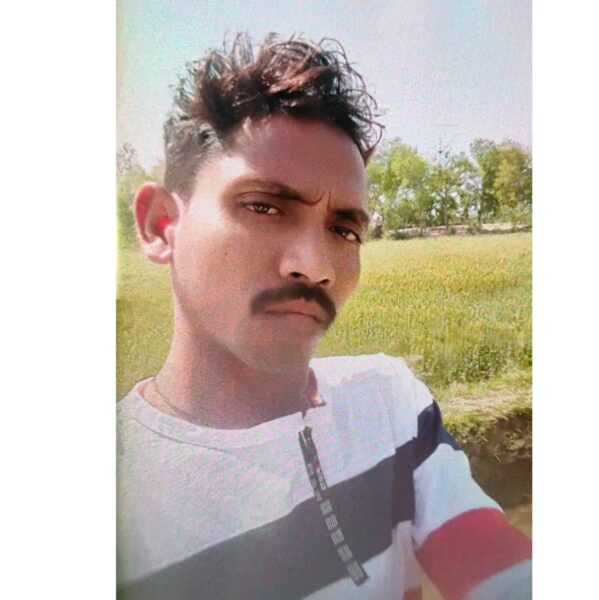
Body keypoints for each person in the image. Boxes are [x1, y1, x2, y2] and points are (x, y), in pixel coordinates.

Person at [117, 32, 532, 600]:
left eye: (344, 230)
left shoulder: (391, 406)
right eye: (263, 206)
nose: (316, 267)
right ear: (161, 224)